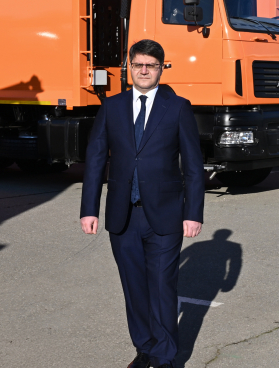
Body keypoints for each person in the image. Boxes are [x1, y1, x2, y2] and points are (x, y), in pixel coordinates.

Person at [81, 39, 205, 368]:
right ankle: (145, 348)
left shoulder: (178, 107)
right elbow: (95, 160)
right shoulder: (112, 107)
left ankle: (164, 357)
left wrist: (193, 213)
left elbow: (193, 166)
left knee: (162, 286)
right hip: (123, 216)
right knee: (134, 288)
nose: (144, 71)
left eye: (151, 65)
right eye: (138, 65)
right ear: (129, 68)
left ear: (162, 69)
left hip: (165, 216)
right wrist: (89, 209)